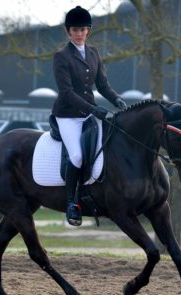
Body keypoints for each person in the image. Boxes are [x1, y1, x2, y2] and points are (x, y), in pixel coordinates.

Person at [52, 6, 127, 226]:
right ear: (69, 31)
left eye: (83, 29)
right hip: (67, 116)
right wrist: (93, 109)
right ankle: (71, 203)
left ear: (88, 31)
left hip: (88, 113)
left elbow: (103, 85)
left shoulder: (93, 53)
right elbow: (66, 92)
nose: (79, 33)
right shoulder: (61, 56)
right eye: (75, 29)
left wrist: (117, 100)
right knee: (76, 156)